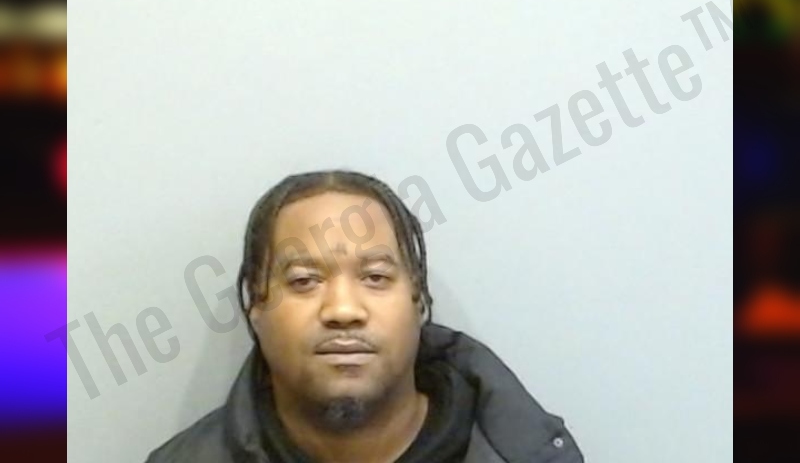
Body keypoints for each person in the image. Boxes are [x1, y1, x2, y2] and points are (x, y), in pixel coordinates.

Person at [146, 170, 584, 463]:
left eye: (375, 277)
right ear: (255, 306)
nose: (343, 310)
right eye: (304, 280)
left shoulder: (522, 452)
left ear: (418, 302)